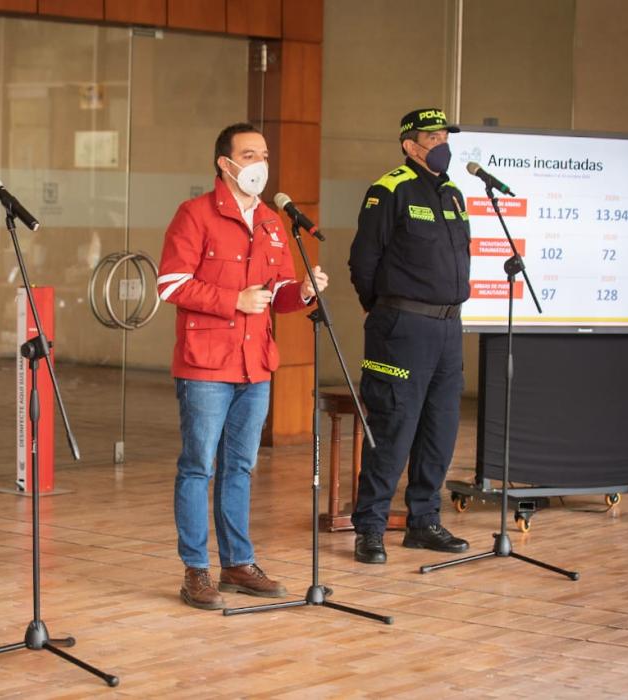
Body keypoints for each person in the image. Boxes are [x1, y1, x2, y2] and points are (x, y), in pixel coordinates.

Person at [158, 123, 329, 609]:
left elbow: (277, 294)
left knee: (241, 466)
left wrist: (305, 291)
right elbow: (170, 284)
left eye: (264, 154)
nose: (260, 163)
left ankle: (237, 563)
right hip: (206, 365)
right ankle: (196, 570)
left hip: (256, 365)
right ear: (225, 164)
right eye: (249, 154)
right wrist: (233, 299)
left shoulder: (275, 222)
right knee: (197, 467)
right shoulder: (194, 215)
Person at [347, 108, 471, 564]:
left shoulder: (453, 194)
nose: (442, 143)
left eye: (444, 135)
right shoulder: (390, 189)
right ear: (409, 145)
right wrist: (382, 310)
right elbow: (363, 263)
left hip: (448, 328)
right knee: (393, 429)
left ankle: (423, 522)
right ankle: (371, 528)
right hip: (402, 327)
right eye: (433, 136)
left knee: (440, 430)